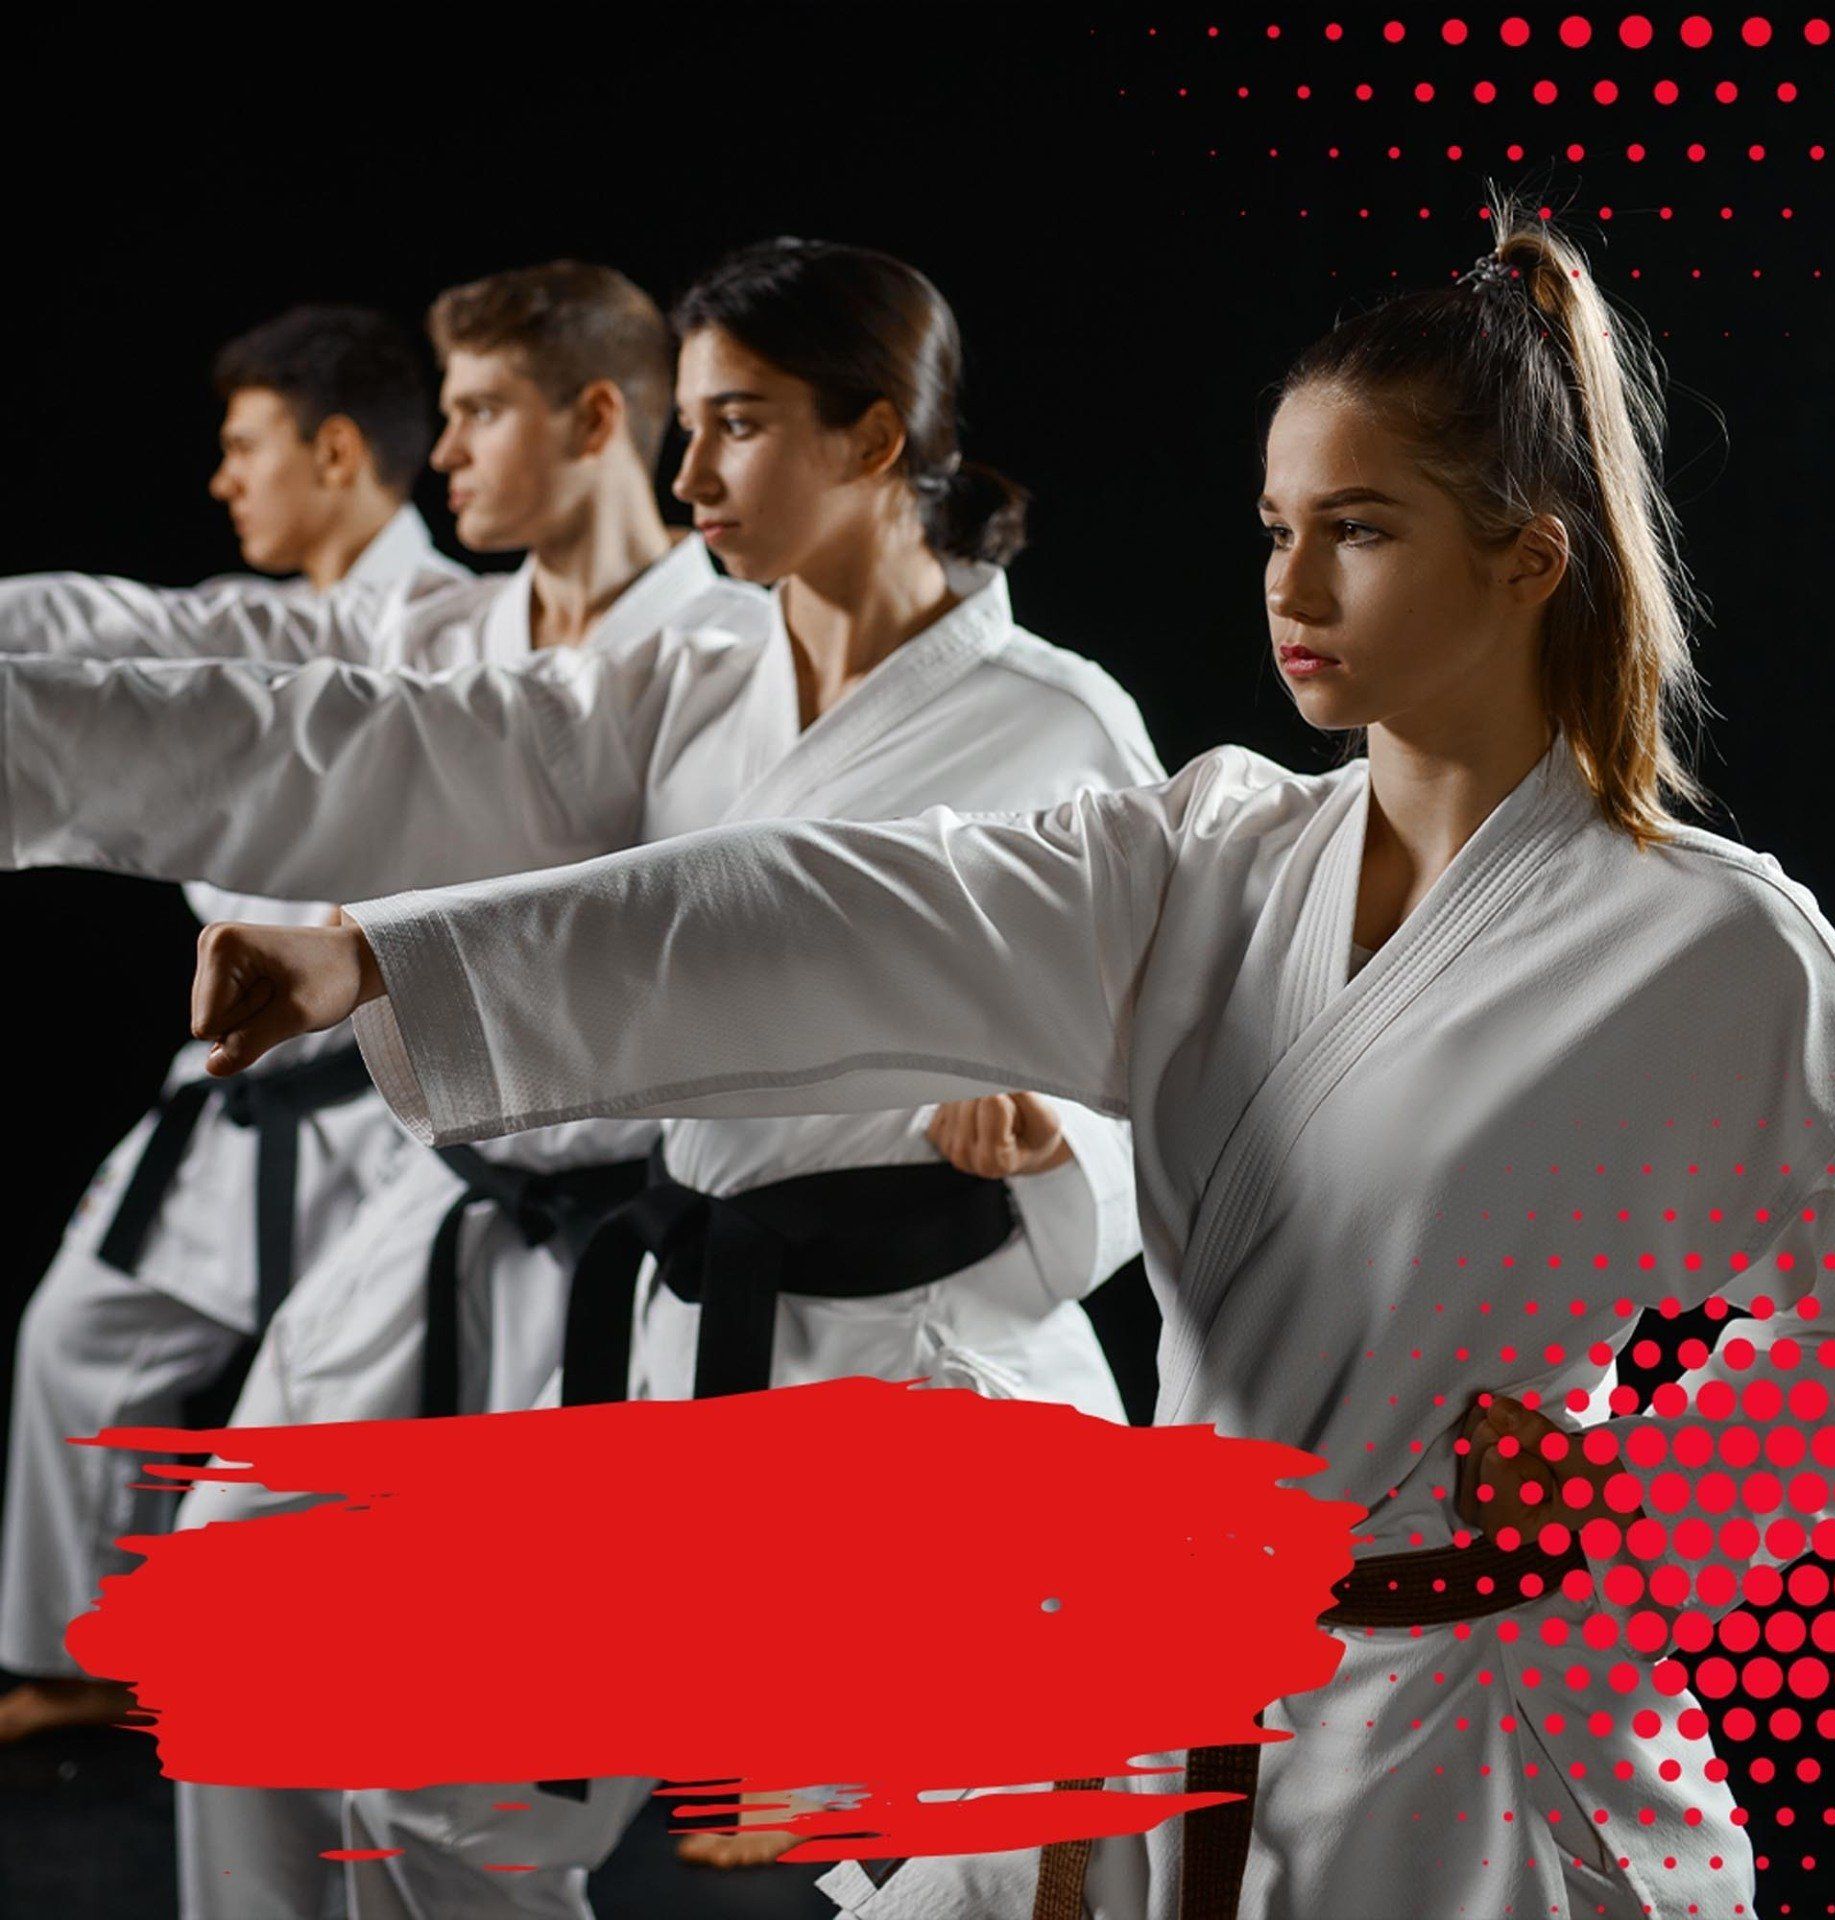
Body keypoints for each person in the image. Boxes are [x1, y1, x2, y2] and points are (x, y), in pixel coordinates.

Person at [190, 209, 1835, 1920]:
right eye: (1275, 528)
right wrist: (390, 951)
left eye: (1361, 532)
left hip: (1479, 1741)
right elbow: (821, 908)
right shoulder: (1210, 861)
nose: (1291, 589)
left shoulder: (1704, 945)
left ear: (1529, 557)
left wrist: (1638, 1510)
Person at [0, 239, 1159, 1920]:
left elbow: (1152, 1044)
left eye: (739, 425)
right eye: (682, 427)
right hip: (682, 1346)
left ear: (874, 437)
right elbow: (385, 749)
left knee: (986, 1882)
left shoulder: (1060, 729)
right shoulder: (696, 680)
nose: (686, 476)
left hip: (918, 1374)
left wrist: (1064, 1130)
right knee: (435, 1784)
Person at [0, 259, 769, 1920]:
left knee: (473, 1780)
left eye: (481, 411)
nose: (446, 454)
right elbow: (206, 660)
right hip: (446, 1199)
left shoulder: (730, 647)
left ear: (595, 417)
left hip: (632, 1251)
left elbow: (778, 933)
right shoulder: (437, 621)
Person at [0, 302, 465, 1749]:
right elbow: (110, 627)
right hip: (237, 1097)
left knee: (358, 1429)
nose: (223, 476)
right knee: (78, 1337)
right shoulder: (253, 624)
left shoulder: (454, 633)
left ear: (336, 451)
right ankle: (84, 1661)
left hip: (400, 1103)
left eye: (245, 444)